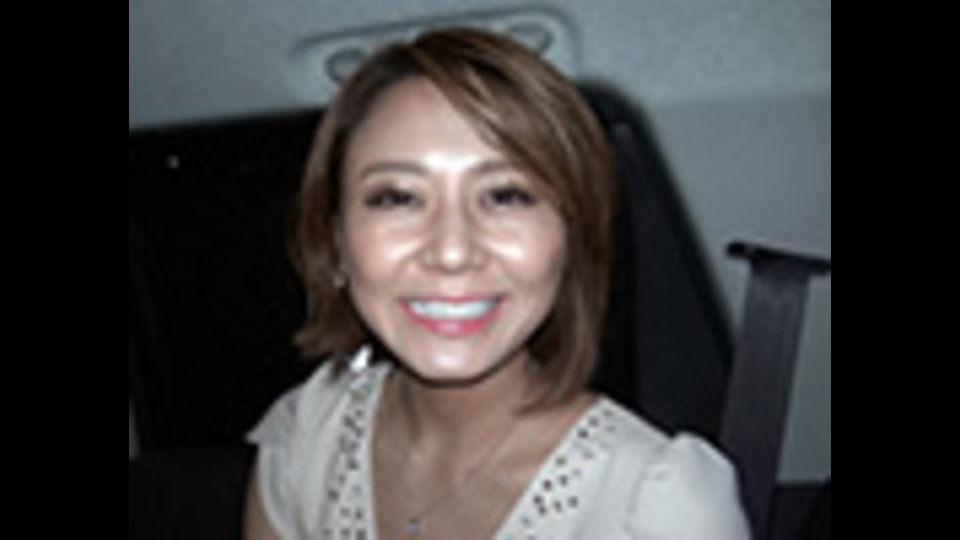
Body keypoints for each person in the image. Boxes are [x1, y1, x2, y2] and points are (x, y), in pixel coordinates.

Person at [244, 28, 749, 540]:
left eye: (505, 196)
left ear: (570, 240)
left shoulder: (661, 507)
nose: (452, 252)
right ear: (336, 240)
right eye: (398, 198)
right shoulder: (306, 434)